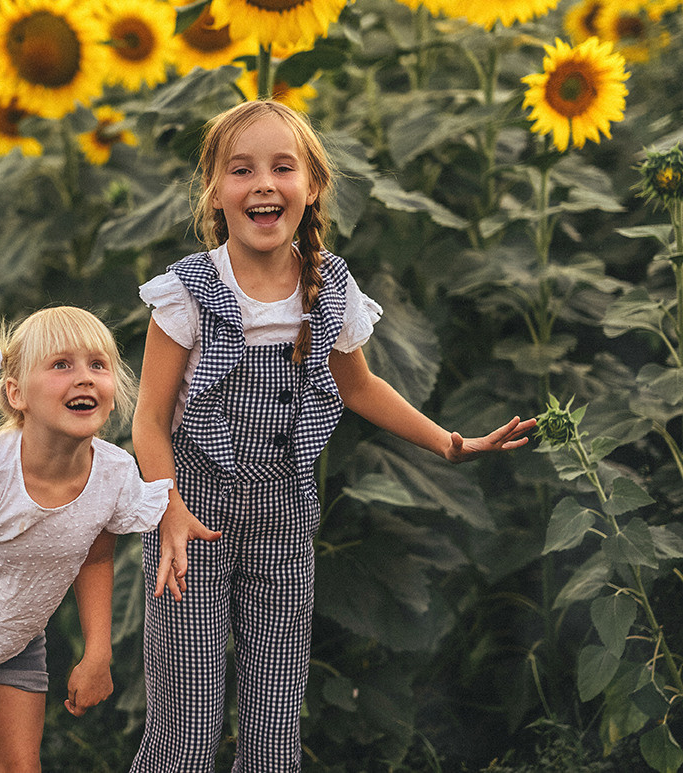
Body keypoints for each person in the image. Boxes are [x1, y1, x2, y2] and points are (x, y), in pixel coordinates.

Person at [128, 99, 536, 772]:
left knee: (273, 720)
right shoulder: (189, 292)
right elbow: (149, 416)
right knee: (188, 720)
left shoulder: (328, 289)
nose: (262, 183)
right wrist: (166, 507)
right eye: (241, 170)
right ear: (216, 192)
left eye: (282, 167)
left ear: (310, 186)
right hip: (189, 518)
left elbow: (360, 386)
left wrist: (448, 442)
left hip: (285, 517)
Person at [0, 306, 172, 772]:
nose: (84, 378)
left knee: (20, 767)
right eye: (62, 364)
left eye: (97, 364)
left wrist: (97, 652)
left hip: (15, 634)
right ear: (16, 393)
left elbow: (96, 561)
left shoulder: (114, 474)